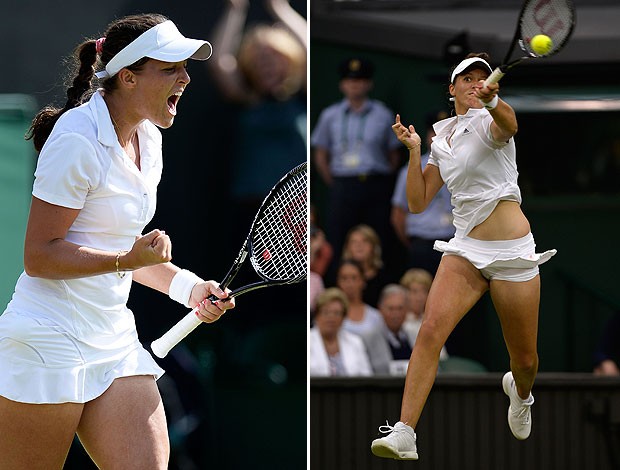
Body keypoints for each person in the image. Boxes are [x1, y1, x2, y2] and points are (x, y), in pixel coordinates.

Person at [0, 14, 236, 469]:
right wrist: (125, 258)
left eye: (185, 67)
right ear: (127, 77)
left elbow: (130, 254)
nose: (185, 78)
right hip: (46, 340)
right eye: (170, 68)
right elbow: (39, 256)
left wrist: (190, 289)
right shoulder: (76, 138)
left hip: (113, 340)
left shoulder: (149, 139)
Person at [371, 53, 556, 460]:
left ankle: (521, 393)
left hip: (512, 253)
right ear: (451, 88)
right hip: (466, 248)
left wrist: (492, 102)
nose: (475, 84)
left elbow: (510, 123)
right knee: (430, 331)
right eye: (467, 79)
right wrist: (416, 151)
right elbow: (418, 203)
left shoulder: (491, 123)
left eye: (482, 79)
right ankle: (405, 431)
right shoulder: (443, 137)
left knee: (524, 360)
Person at [209, 0, 307, 229]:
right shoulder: (246, 98)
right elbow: (218, 62)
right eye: (260, 58)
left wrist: (280, 8)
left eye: (274, 56)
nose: (267, 64)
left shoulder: (301, 96)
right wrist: (236, 8)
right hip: (251, 207)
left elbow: (308, 48)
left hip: (296, 206)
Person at [311, 57, 402, 280]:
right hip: (343, 183)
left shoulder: (383, 114)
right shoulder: (329, 115)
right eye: (350, 80)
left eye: (361, 80)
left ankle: (377, 288)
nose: (355, 85)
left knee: (377, 239)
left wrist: (380, 179)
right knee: (338, 239)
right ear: (342, 84)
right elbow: (321, 153)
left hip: (375, 184)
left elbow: (394, 153)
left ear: (369, 84)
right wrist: (336, 181)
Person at [391, 110, 455, 275]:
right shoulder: (412, 167)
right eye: (434, 132)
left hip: (456, 242)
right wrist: (413, 244)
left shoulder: (463, 165)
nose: (438, 137)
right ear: (427, 134)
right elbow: (398, 214)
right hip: (422, 243)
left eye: (444, 132)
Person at [335, 258, 390, 375]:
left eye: (354, 278)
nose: (349, 283)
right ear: (338, 282)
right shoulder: (331, 315)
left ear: (362, 281)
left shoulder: (376, 317)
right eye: (344, 278)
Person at [310, 288, 373, 377]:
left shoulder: (355, 342)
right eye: (326, 312)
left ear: (343, 317)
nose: (331, 318)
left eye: (336, 313)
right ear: (317, 315)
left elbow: (367, 377)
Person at [399, 268, 449, 361]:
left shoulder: (433, 321)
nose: (419, 297)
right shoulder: (399, 323)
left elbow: (442, 357)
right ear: (404, 293)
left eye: (424, 291)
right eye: (414, 291)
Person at [340, 224, 390, 308]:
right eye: (354, 242)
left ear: (373, 246)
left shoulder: (385, 277)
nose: (359, 245)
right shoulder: (338, 272)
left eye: (365, 241)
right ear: (347, 247)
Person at [376, 284, 415, 376]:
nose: (395, 314)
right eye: (391, 308)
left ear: (407, 310)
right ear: (380, 309)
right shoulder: (368, 339)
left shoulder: (415, 336)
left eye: (400, 308)